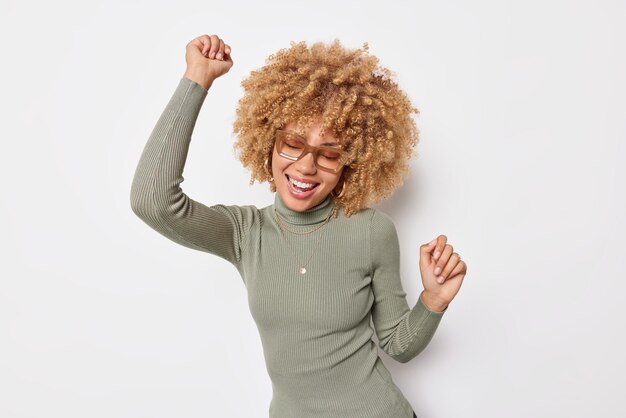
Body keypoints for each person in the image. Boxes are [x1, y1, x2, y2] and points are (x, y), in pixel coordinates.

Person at [130, 33, 468, 418]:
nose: (306, 167)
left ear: (350, 164)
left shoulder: (372, 230)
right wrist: (196, 80)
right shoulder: (246, 232)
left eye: (329, 154)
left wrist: (433, 301)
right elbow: (152, 201)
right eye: (292, 143)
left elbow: (397, 345)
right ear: (267, 142)